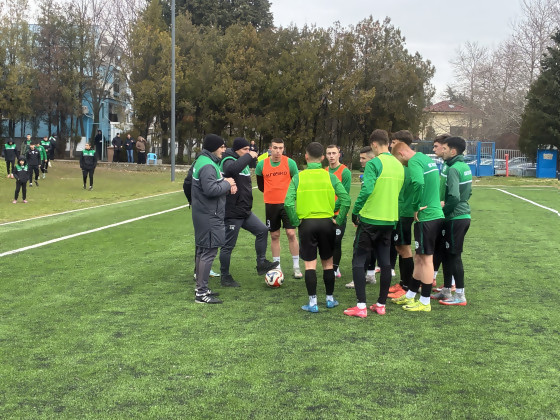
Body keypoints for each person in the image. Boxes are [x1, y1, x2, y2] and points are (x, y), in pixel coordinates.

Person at [344, 129, 404, 318]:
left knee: (359, 259)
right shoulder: (399, 165)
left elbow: (367, 189)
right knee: (385, 262)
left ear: (374, 145)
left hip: (370, 219)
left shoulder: (374, 163)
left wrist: (356, 211)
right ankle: (380, 304)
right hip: (389, 219)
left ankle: (361, 306)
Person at [284, 142, 351, 312]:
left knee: (310, 265)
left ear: (306, 156)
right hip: (327, 223)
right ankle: (329, 299)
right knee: (328, 263)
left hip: (307, 224)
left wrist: (295, 221)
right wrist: (339, 218)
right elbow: (346, 200)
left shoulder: (298, 177)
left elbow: (288, 203)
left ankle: (313, 303)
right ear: (322, 158)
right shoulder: (330, 176)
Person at [390, 142, 444, 312]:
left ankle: (425, 302)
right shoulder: (424, 159)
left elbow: (418, 183)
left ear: (401, 153)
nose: (402, 165)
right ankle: (410, 295)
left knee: (426, 259)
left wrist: (415, 206)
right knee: (419, 258)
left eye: (399, 161)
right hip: (433, 215)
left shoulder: (414, 162)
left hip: (427, 216)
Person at [218, 138, 279, 287]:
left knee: (262, 230)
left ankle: (261, 263)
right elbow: (230, 170)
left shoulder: (241, 162)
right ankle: (225, 276)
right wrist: (249, 156)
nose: (248, 152)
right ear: (237, 150)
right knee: (228, 246)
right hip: (233, 212)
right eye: (244, 149)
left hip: (244, 211)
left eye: (248, 149)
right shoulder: (228, 160)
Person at [192, 134, 237, 304]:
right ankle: (201, 293)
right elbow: (210, 190)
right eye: (222, 146)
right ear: (213, 147)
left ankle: (201, 288)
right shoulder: (208, 165)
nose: (224, 150)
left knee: (202, 250)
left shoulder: (202, 161)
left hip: (203, 213)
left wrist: (222, 181)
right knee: (208, 252)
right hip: (210, 215)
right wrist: (227, 183)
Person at [255, 138, 303, 279]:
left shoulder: (290, 163)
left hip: (287, 205)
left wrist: (288, 197)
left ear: (283, 149)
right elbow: (261, 186)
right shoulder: (261, 165)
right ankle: (278, 267)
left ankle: (296, 267)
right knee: (274, 235)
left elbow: (296, 183)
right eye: (275, 148)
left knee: (291, 233)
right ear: (270, 148)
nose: (278, 151)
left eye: (280, 148)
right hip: (270, 205)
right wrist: (272, 194)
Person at [437, 136, 472, 306]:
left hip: (455, 218)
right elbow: (468, 193)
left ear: (453, 151)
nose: (442, 151)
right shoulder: (464, 166)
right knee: (447, 254)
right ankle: (446, 290)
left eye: (444, 149)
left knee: (454, 256)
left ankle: (460, 295)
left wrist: (443, 212)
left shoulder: (453, 169)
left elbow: (454, 197)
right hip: (462, 216)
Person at [387, 130, 416, 299]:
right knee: (400, 248)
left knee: (404, 249)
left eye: (393, 142)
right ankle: (404, 282)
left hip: (404, 212)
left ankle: (407, 286)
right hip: (401, 212)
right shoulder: (405, 166)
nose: (391, 145)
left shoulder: (408, 168)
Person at [345, 146, 378, 289]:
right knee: (373, 247)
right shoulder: (375, 172)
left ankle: (359, 278)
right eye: (360, 158)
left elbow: (366, 194)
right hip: (378, 215)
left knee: (360, 247)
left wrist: (356, 213)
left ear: (372, 159)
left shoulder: (371, 172)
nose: (361, 161)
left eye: (363, 158)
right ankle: (370, 274)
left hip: (367, 216)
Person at [325, 144, 352, 279]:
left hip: (339, 214)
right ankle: (329, 265)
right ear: (325, 155)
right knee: (327, 242)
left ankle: (335, 268)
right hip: (326, 213)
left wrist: (333, 209)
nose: (331, 156)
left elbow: (344, 195)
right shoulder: (324, 171)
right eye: (329, 153)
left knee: (336, 241)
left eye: (334, 153)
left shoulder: (345, 172)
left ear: (339, 154)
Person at [431, 134, 454, 291]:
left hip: (449, 213)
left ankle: (452, 283)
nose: (434, 150)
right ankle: (433, 277)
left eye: (436, 146)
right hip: (441, 211)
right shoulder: (445, 164)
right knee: (438, 245)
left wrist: (445, 205)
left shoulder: (453, 166)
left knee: (448, 249)